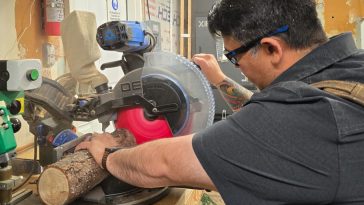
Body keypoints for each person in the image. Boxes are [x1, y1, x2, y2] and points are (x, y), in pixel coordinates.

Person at [76, 0, 364, 204]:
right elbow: (268, 113)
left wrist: (107, 155)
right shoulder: (347, 73)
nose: (236, 66)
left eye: (233, 57)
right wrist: (219, 80)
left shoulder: (300, 114)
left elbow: (163, 164)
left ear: (271, 48)